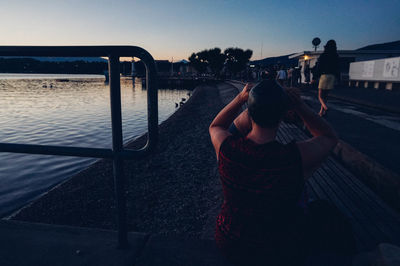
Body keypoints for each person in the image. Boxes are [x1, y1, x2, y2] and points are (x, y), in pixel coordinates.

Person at [209, 80, 355, 265]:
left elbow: (216, 126)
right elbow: (329, 136)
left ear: (250, 114)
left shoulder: (227, 149)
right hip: (277, 250)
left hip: (229, 242)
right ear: (283, 115)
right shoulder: (293, 157)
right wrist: (299, 106)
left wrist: (240, 98)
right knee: (326, 213)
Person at [316, 39, 340, 116]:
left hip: (324, 76)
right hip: (332, 77)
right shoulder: (336, 56)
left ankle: (325, 107)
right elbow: (338, 68)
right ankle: (321, 111)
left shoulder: (323, 55)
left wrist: (314, 77)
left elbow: (319, 67)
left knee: (320, 96)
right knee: (326, 96)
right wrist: (338, 78)